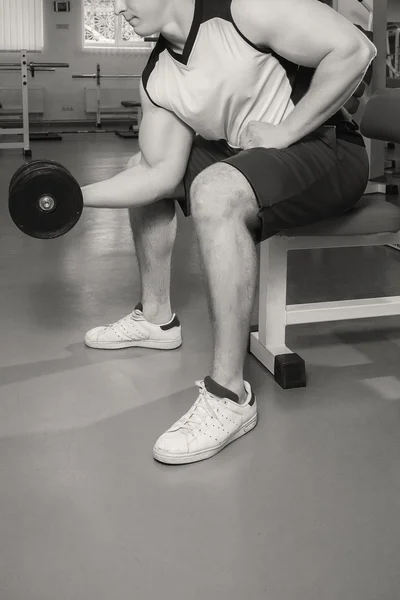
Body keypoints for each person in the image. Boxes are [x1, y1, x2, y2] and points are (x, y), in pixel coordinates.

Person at [81, 0, 376, 465]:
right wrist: (72, 197)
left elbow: (355, 50)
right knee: (140, 165)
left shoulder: (243, 9)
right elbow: (159, 176)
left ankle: (229, 396)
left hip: (325, 147)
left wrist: (285, 131)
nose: (117, 8)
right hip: (252, 155)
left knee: (214, 191)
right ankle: (156, 318)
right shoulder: (158, 76)